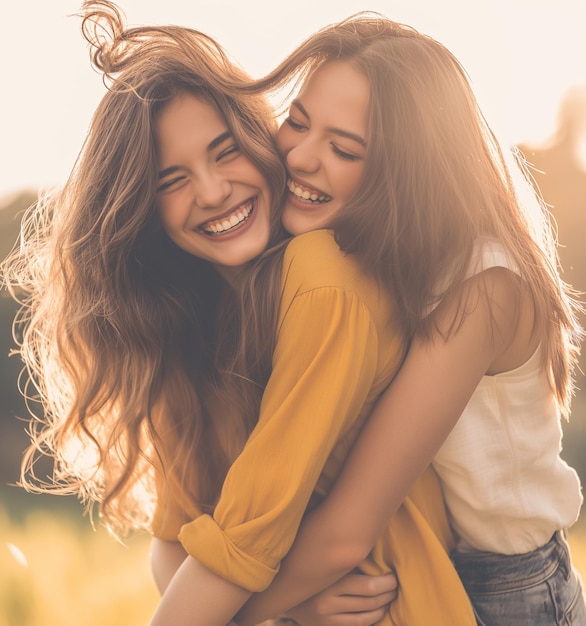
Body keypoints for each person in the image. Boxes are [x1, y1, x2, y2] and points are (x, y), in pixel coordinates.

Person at [0, 3, 475, 626]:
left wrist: (258, 611)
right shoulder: (192, 326)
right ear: (144, 213)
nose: (213, 191)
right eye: (173, 180)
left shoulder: (322, 279)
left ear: (257, 135)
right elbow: (173, 542)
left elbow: (253, 536)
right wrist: (289, 610)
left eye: (225, 152)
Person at [221, 13, 586, 626]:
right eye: (298, 123)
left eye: (344, 149)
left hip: (509, 590)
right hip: (421, 556)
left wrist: (228, 614)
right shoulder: (370, 250)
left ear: (410, 163)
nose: (302, 158)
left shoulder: (483, 287)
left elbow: (346, 528)